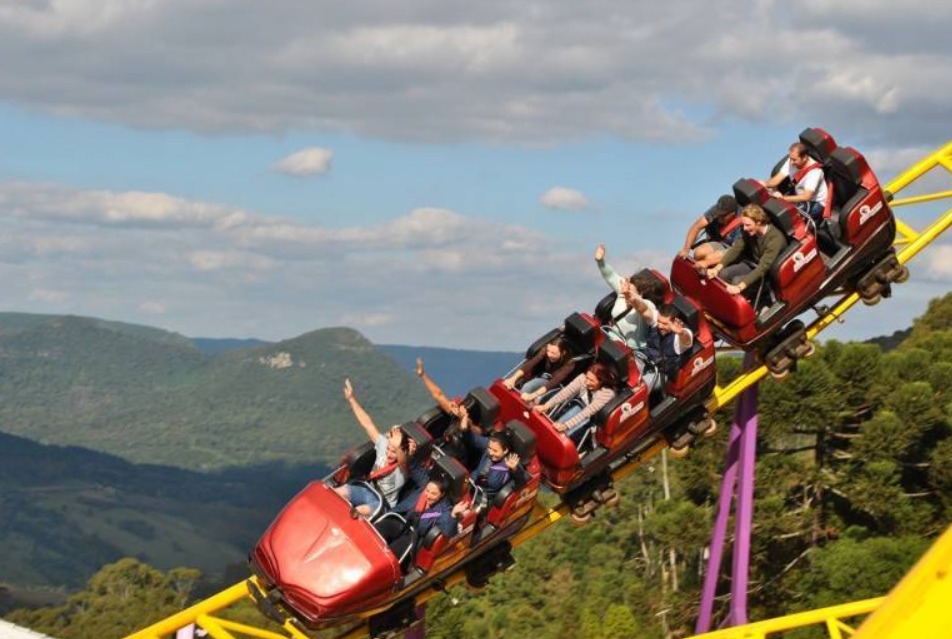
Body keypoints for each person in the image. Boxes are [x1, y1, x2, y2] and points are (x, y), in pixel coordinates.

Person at [336, 378, 419, 517]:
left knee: (359, 512)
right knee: (339, 492)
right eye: (388, 449)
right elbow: (368, 424)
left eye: (394, 451)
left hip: (381, 502)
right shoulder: (383, 445)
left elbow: (403, 460)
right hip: (365, 489)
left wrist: (399, 447)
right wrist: (351, 399)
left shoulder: (403, 467)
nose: (389, 453)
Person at [705, 203, 788, 303]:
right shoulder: (748, 231)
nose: (744, 228)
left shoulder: (775, 239)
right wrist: (716, 268)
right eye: (744, 225)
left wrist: (739, 287)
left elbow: (763, 268)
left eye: (748, 225)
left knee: (737, 282)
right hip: (751, 264)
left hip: (765, 275)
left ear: (759, 222)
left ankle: (739, 306)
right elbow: (736, 249)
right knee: (723, 273)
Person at [374, 477, 464, 568]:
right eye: (427, 490)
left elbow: (447, 531)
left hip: (414, 536)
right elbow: (414, 466)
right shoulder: (422, 488)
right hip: (403, 523)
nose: (428, 495)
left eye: (434, 494)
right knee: (378, 529)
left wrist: (453, 515)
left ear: (442, 494)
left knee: (392, 551)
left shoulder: (445, 510)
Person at [594, 244, 663, 351]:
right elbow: (611, 276)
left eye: (630, 288)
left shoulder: (648, 303)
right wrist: (600, 261)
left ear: (641, 292)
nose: (625, 289)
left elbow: (643, 309)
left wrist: (632, 298)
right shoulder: (623, 291)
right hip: (611, 340)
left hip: (631, 351)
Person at [533, 362, 617, 447]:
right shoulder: (582, 379)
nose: (587, 382)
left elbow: (587, 412)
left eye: (592, 380)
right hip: (580, 406)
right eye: (587, 378)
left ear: (601, 381)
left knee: (563, 435)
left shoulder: (607, 394)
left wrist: (566, 426)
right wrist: (546, 405)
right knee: (554, 429)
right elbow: (565, 393)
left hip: (593, 418)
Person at [458, 412, 525, 510]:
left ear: (505, 450)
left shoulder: (511, 462)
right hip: (469, 485)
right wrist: (464, 425)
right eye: (489, 448)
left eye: (495, 451)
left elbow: (521, 484)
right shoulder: (489, 444)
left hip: (483, 499)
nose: (491, 452)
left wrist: (514, 470)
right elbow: (472, 439)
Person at [763, 142, 828, 221]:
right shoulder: (792, 161)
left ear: (805, 158)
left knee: (789, 218)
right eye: (790, 159)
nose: (791, 162)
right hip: (798, 195)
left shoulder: (815, 172)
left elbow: (806, 197)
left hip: (814, 202)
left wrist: (782, 198)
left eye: (794, 160)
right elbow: (776, 180)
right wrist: (763, 184)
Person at [502, 337, 575, 402]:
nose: (549, 355)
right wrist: (513, 379)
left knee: (527, 387)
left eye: (553, 353)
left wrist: (532, 395)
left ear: (563, 353)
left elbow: (553, 382)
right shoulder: (545, 350)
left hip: (553, 383)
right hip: (539, 374)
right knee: (516, 381)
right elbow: (532, 362)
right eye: (548, 351)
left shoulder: (569, 364)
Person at [679, 194, 741, 269]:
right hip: (721, 242)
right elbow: (697, 226)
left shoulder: (742, 220)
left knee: (710, 257)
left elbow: (735, 251)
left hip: (733, 248)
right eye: (719, 213)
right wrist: (686, 250)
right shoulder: (716, 210)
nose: (719, 216)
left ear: (732, 214)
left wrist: (707, 262)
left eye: (723, 215)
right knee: (699, 253)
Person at [644, 304, 695, 385]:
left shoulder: (679, 337)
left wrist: (681, 333)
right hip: (646, 360)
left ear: (674, 322)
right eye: (659, 321)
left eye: (664, 323)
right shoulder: (657, 322)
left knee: (639, 387)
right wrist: (635, 301)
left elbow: (687, 340)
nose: (660, 326)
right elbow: (644, 310)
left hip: (662, 375)